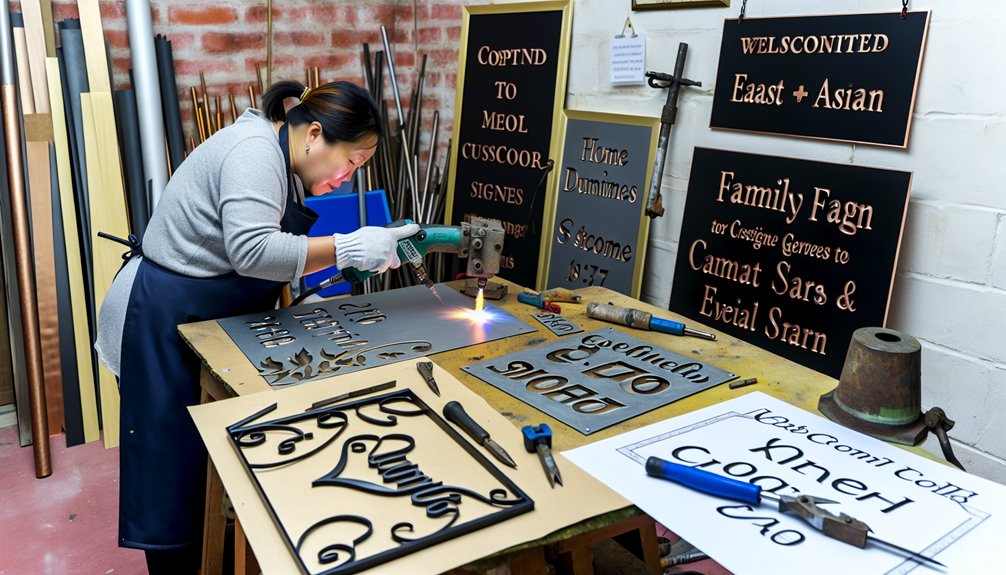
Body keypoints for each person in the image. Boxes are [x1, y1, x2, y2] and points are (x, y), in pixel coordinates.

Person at [95, 79, 418, 574]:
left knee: (207, 465)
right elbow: (252, 252)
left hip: (196, 312)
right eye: (350, 161)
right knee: (173, 473)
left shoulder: (282, 158)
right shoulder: (254, 152)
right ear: (313, 135)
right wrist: (346, 247)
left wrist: (343, 258)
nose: (347, 177)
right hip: (157, 316)